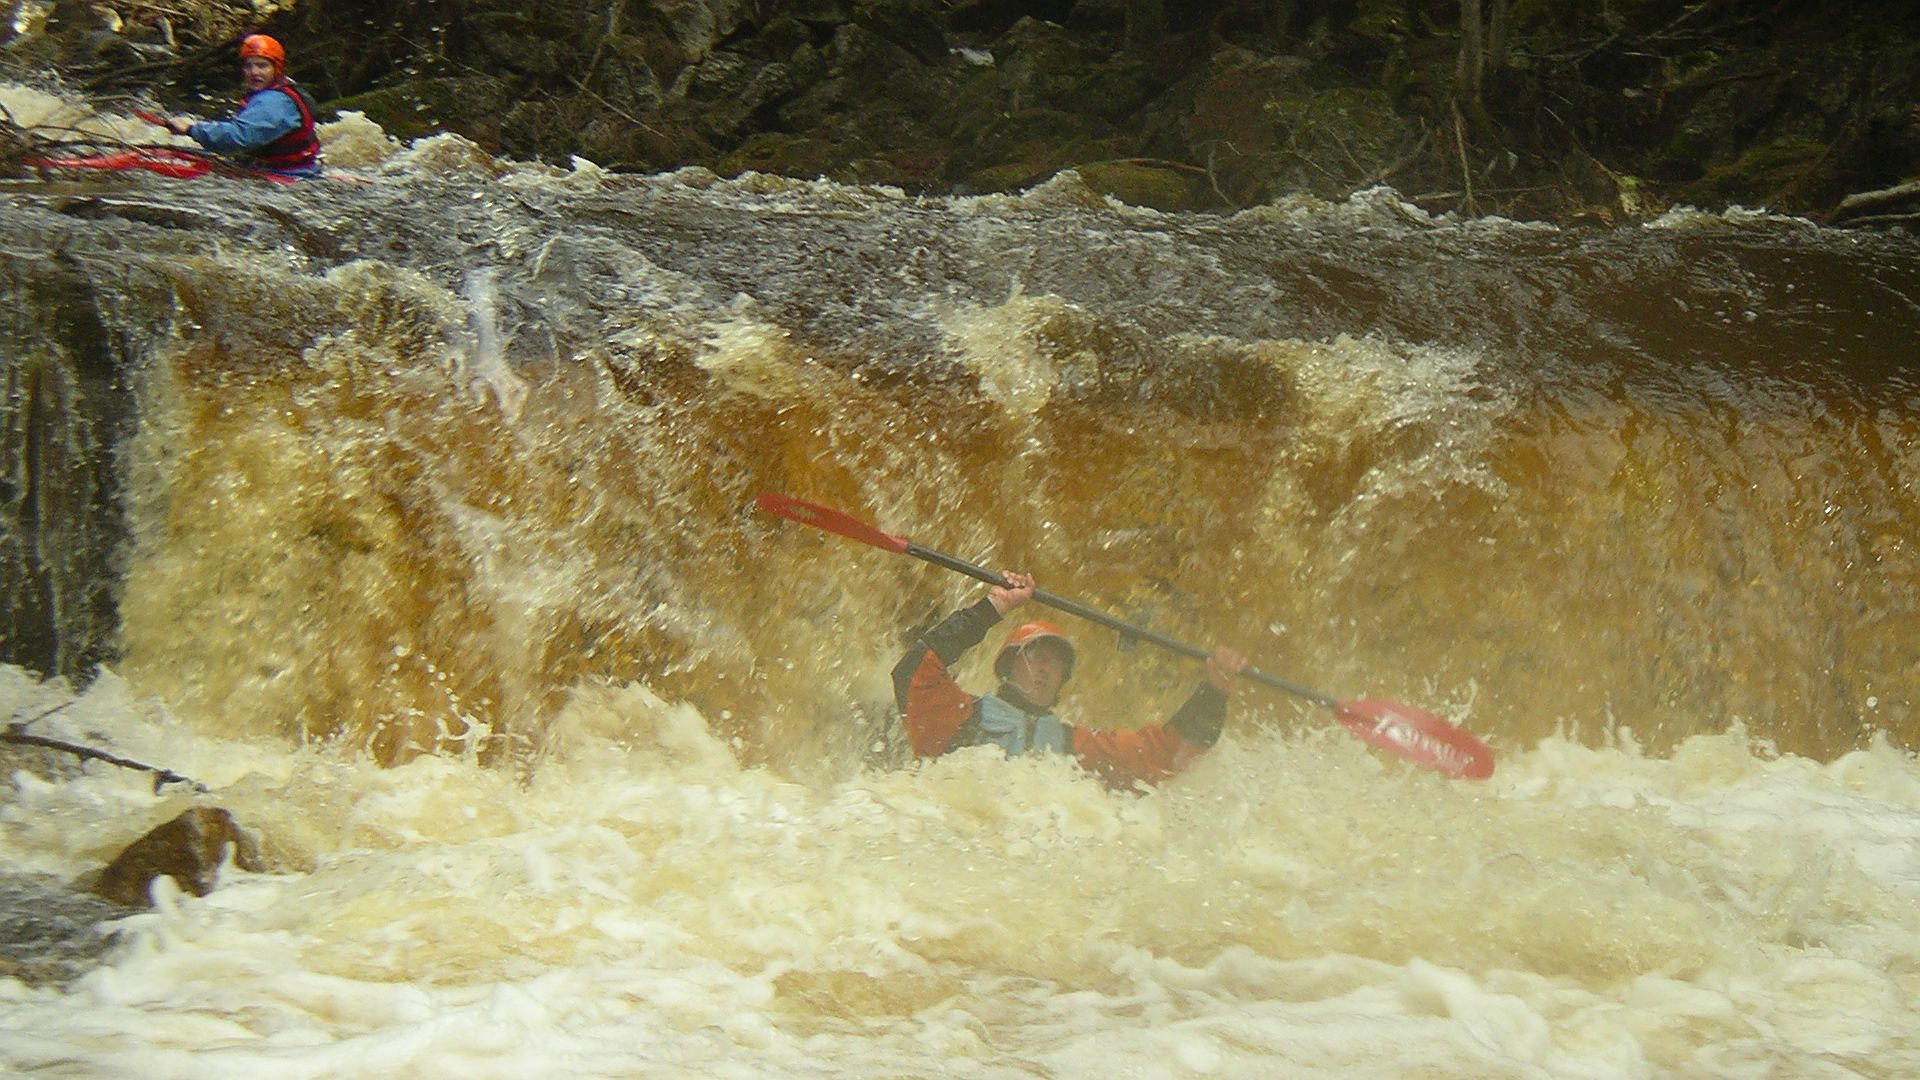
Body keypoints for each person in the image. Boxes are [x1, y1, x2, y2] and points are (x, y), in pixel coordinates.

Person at [892, 572, 1248, 789]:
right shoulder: (960, 717)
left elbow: (1166, 754)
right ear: (1008, 666)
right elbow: (913, 671)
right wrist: (993, 607)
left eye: (1056, 664)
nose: (1046, 669)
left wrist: (1214, 692)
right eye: (1036, 656)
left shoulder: (1077, 747)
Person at [165, 34, 322, 179]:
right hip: (294, 169)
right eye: (248, 66)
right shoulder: (280, 90)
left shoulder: (275, 101)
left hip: (285, 174)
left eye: (262, 66)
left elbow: (240, 137)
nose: (254, 72)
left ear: (277, 68)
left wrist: (191, 129)